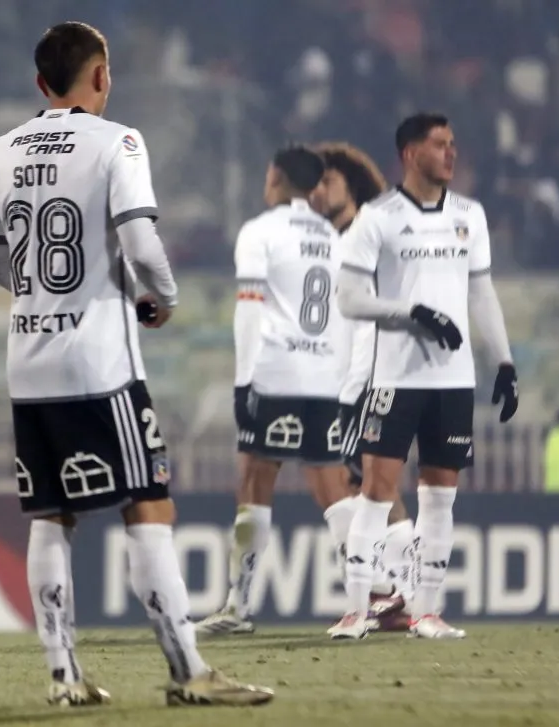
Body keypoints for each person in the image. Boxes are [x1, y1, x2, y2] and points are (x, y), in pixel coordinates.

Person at [0, 22, 272, 708]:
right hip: (99, 363)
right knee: (147, 501)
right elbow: (141, 241)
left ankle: (64, 675)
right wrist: (159, 298)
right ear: (101, 76)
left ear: (39, 84)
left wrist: (44, 295)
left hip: (28, 361)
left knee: (52, 515)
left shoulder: (1, 150)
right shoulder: (118, 142)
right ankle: (188, 669)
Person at [330, 113, 519, 640]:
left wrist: (503, 361)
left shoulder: (469, 215)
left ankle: (427, 612)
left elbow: (481, 291)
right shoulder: (378, 217)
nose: (451, 153)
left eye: (454, 144)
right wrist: (410, 312)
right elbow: (348, 298)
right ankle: (355, 611)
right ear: (410, 154)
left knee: (440, 498)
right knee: (376, 492)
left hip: (453, 382)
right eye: (440, 145)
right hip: (394, 378)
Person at [195, 146, 351, 636]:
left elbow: (249, 310)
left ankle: (239, 606)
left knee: (254, 481)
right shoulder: (333, 237)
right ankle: (366, 600)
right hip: (326, 378)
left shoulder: (260, 231)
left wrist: (244, 382)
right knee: (333, 489)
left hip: (278, 373)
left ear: (277, 177)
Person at [312, 142, 413, 632]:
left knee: (370, 482)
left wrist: (366, 380)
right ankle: (390, 593)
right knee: (362, 482)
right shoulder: (329, 241)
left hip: (368, 377)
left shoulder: (365, 238)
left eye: (327, 181)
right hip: (342, 380)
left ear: (351, 188)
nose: (317, 191)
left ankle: (402, 593)